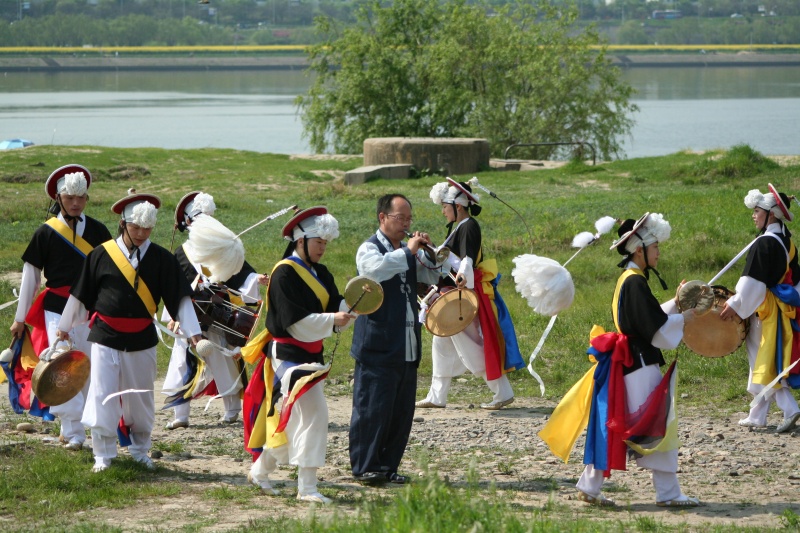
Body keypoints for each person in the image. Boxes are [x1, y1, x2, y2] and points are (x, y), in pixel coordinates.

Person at [539, 213, 700, 508]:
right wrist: (685, 318)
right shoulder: (635, 282)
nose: (659, 252)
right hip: (639, 363)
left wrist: (677, 305)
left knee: (624, 425)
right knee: (655, 423)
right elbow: (655, 330)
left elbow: (647, 319)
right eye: (655, 248)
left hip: (630, 363)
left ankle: (590, 485)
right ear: (640, 250)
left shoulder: (630, 279)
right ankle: (668, 493)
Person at [56, 189, 202, 473]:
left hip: (142, 338)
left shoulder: (162, 259)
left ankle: (139, 450)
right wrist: (63, 328)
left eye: (147, 228)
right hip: (105, 336)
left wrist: (194, 332)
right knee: (102, 394)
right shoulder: (100, 255)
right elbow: (79, 294)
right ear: (123, 223)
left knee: (141, 396)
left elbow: (180, 299)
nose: (141, 233)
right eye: (136, 226)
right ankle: (103, 453)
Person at [244, 207, 354, 504]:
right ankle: (306, 487)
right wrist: (334, 320)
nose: (323, 247)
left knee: (296, 418)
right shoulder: (283, 273)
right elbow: (295, 322)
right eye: (319, 241)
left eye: (326, 243)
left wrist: (352, 305)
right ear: (300, 240)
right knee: (316, 413)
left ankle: (260, 470)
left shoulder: (322, 272)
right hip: (287, 355)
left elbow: (335, 302)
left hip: (311, 353)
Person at [8, 164, 112, 449]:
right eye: (69, 198)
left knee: (92, 367)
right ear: (59, 198)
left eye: (81, 197)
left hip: (91, 312)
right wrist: (20, 319)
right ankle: (73, 431)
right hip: (57, 308)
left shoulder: (100, 231)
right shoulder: (46, 233)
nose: (76, 202)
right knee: (61, 367)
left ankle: (97, 428)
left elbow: (111, 273)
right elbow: (31, 277)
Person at [349, 194, 442, 485]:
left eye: (409, 219)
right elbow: (373, 271)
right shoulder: (369, 248)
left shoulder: (405, 249)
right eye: (400, 218)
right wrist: (408, 252)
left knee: (400, 411)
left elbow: (429, 275)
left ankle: (388, 466)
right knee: (372, 408)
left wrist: (431, 255)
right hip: (377, 343)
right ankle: (365, 466)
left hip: (406, 342)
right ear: (382, 218)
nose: (406, 224)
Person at [416, 178, 524, 410]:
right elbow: (450, 258)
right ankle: (437, 396)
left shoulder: (468, 226)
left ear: (458, 206)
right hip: (457, 293)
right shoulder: (462, 226)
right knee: (441, 342)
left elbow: (465, 260)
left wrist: (463, 277)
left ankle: (502, 391)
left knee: (470, 345)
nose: (443, 212)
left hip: (459, 295)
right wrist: (430, 246)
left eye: (445, 207)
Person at [162, 191, 262, 429]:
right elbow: (171, 287)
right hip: (189, 316)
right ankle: (180, 414)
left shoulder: (222, 247)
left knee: (224, 361)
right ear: (188, 223)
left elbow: (242, 273)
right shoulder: (180, 253)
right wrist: (173, 316)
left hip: (217, 315)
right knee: (181, 362)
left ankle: (232, 408)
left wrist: (257, 280)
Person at [720, 184, 800, 434]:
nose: (754, 216)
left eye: (757, 211)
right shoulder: (787, 243)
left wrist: (735, 304)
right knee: (762, 360)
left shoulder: (764, 244)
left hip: (765, 311)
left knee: (763, 361)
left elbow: (752, 283)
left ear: (771, 214)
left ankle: (789, 408)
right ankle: (757, 415)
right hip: (780, 308)